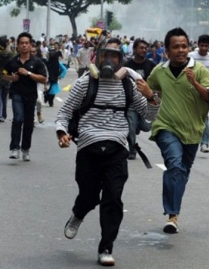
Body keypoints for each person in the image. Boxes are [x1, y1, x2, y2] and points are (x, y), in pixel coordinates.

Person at [55, 37, 160, 266]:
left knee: (113, 198)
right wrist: (62, 132)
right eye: (106, 55)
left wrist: (150, 96)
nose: (110, 60)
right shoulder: (85, 83)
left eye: (115, 56)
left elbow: (149, 118)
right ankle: (78, 214)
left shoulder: (128, 85)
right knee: (89, 196)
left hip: (117, 148)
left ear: (121, 60)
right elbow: (64, 113)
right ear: (98, 58)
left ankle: (106, 247)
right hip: (88, 147)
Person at [146, 28, 209, 234]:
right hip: (165, 126)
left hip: (193, 131)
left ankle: (174, 210)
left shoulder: (199, 71)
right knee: (175, 165)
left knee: (182, 172)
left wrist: (195, 83)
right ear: (167, 50)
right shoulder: (159, 71)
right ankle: (172, 215)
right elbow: (151, 94)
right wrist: (148, 94)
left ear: (189, 47)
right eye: (175, 46)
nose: (180, 50)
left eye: (184, 46)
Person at [3, 32, 47, 161]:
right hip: (16, 93)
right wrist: (11, 78)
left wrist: (28, 73)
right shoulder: (12, 61)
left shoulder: (37, 62)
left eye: (26, 43)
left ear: (30, 45)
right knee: (18, 119)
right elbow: (3, 74)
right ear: (17, 45)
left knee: (28, 123)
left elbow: (43, 78)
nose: (24, 46)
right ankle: (14, 148)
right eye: (21, 43)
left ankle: (25, 149)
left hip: (31, 95)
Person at [123, 38, 156, 159]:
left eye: (145, 48)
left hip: (146, 101)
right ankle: (132, 150)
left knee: (147, 127)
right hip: (131, 102)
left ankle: (137, 125)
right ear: (134, 49)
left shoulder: (151, 65)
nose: (144, 50)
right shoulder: (126, 66)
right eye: (141, 48)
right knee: (130, 126)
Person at [188, 34, 209, 153]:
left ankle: (204, 143)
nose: (204, 48)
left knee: (204, 117)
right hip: (191, 89)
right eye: (202, 45)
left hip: (205, 90)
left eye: (206, 46)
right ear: (198, 45)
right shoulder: (191, 56)